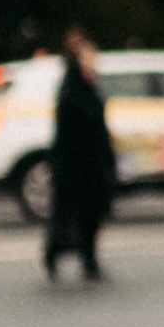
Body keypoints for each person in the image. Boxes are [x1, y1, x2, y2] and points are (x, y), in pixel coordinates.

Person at [43, 32, 118, 283]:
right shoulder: (70, 94)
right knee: (68, 215)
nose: (92, 66)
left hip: (95, 165)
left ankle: (89, 259)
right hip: (75, 166)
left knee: (92, 215)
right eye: (88, 61)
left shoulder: (92, 90)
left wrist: (109, 160)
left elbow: (101, 129)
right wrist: (61, 169)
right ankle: (54, 254)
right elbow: (63, 136)